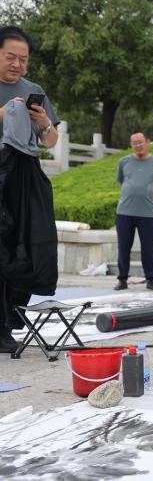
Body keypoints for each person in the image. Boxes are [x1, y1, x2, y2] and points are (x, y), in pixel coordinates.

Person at [0, 26, 60, 353]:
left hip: (23, 178)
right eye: (11, 57)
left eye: (23, 59)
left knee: (27, 245)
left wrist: (41, 123)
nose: (17, 65)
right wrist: (8, 112)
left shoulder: (33, 89)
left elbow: (51, 139)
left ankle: (11, 316)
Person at [114, 133, 153, 291]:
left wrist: (146, 193)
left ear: (147, 142)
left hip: (148, 213)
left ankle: (151, 279)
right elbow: (121, 182)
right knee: (123, 247)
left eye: (141, 142)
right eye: (134, 143)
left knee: (149, 248)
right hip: (124, 212)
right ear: (131, 145)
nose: (138, 145)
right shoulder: (123, 162)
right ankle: (122, 279)